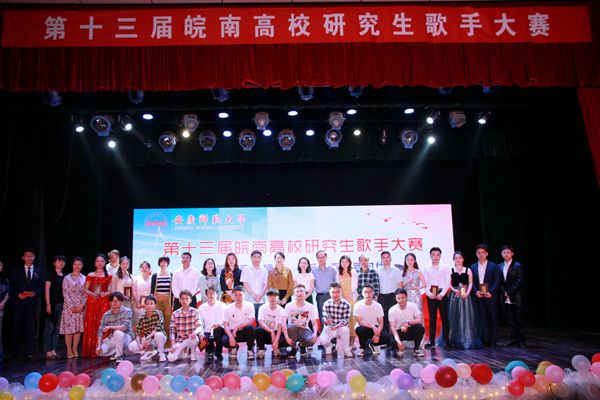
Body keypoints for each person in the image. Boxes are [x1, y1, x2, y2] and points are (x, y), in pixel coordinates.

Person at [10, 248, 45, 360]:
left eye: (31, 256)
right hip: (19, 304)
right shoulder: (17, 271)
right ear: (23, 258)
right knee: (17, 328)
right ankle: (15, 352)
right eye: (27, 256)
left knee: (30, 328)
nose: (29, 258)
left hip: (32, 304)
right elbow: (11, 287)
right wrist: (18, 294)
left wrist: (35, 293)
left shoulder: (39, 271)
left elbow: (42, 287)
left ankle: (28, 352)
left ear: (34, 258)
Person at [447, 251, 482, 349]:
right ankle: (452, 339)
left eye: (460, 258)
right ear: (453, 260)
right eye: (456, 258)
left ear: (463, 259)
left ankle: (465, 338)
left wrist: (467, 293)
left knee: (465, 316)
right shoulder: (451, 270)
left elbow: (470, 283)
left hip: (465, 295)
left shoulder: (468, 270)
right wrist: (454, 290)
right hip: (454, 296)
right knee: (453, 316)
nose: (458, 260)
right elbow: (447, 283)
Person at [470, 244, 501, 347]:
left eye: (483, 253)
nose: (481, 255)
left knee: (492, 318)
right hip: (479, 296)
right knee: (481, 319)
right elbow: (471, 282)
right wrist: (476, 292)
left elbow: (497, 281)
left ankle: (493, 341)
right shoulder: (473, 267)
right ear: (476, 254)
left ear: (487, 254)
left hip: (490, 296)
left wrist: (491, 292)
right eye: (479, 253)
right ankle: (484, 340)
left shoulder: (494, 266)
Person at [82, 254, 112, 358]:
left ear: (105, 263)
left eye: (102, 261)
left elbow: (111, 290)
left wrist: (105, 293)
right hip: (92, 302)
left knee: (103, 323)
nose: (100, 263)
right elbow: (85, 289)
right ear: (95, 263)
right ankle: (92, 350)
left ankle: (104, 350)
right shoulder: (90, 275)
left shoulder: (108, 275)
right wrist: (92, 293)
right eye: (98, 261)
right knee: (92, 324)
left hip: (104, 302)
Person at [422, 247, 451, 348]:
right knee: (432, 318)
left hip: (442, 294)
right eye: (433, 255)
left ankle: (446, 340)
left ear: (440, 256)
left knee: (444, 317)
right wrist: (429, 294)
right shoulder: (426, 268)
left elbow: (448, 281)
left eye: (437, 255)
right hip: (431, 294)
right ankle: (431, 341)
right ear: (430, 256)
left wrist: (442, 294)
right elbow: (425, 282)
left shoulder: (445, 267)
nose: (435, 257)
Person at [281, 284, 320, 358]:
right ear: (294, 294)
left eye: (302, 291)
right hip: (292, 330)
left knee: (312, 340)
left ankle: (302, 346)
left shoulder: (310, 306)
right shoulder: (289, 305)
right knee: (292, 327)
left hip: (304, 329)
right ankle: (293, 348)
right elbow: (283, 321)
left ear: (305, 293)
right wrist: (286, 337)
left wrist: (315, 334)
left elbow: (314, 323)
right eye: (297, 291)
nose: (299, 293)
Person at [499, 245, 527, 347]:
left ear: (512, 254)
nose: (506, 254)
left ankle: (522, 340)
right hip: (505, 295)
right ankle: (512, 339)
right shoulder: (499, 266)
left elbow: (520, 280)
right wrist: (504, 292)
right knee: (510, 319)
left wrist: (510, 292)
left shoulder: (518, 265)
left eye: (508, 252)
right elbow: (499, 281)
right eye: (504, 252)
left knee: (519, 318)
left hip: (516, 295)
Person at [60, 257, 86, 359]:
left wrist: (82, 305)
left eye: (79, 264)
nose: (77, 266)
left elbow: (86, 293)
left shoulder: (84, 278)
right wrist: (71, 307)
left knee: (78, 329)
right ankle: (69, 350)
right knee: (69, 330)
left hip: (80, 306)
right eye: (75, 264)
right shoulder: (67, 278)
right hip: (69, 307)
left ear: (82, 266)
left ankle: (75, 349)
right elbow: (65, 293)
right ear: (72, 266)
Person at [96, 292, 134, 362]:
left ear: (121, 301)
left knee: (117, 333)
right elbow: (100, 331)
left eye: (116, 301)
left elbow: (124, 327)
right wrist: (99, 346)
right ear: (109, 302)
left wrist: (110, 327)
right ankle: (116, 351)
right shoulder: (106, 315)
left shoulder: (127, 311)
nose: (114, 303)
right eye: (112, 301)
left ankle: (119, 356)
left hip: (126, 337)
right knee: (102, 351)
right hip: (114, 338)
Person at [128, 295, 167, 362]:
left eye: (151, 304)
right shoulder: (142, 316)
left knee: (158, 335)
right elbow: (138, 333)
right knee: (131, 346)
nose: (149, 306)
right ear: (144, 305)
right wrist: (139, 345)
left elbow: (157, 328)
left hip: (157, 338)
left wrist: (147, 338)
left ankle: (161, 353)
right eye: (147, 304)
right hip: (147, 340)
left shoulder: (158, 313)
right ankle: (148, 352)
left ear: (155, 305)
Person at [388, 289, 425, 358]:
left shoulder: (413, 306)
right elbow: (393, 327)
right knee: (392, 342)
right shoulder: (392, 310)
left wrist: (408, 323)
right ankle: (398, 348)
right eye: (398, 298)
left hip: (410, 329)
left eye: (403, 297)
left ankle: (416, 349)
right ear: (395, 299)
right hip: (398, 331)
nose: (401, 300)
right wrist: (398, 342)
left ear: (407, 297)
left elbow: (419, 320)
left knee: (420, 328)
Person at [222, 285, 256, 360]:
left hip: (244, 331)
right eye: (236, 295)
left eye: (240, 295)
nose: (238, 297)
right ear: (233, 296)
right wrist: (231, 337)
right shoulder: (228, 308)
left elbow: (251, 320)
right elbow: (226, 325)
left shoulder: (250, 305)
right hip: (233, 333)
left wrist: (237, 327)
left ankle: (250, 349)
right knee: (224, 341)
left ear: (244, 296)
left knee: (251, 329)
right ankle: (234, 347)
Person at [320, 282, 353, 357]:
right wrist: (327, 322)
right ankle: (329, 346)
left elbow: (345, 320)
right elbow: (324, 317)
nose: (335, 294)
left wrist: (336, 326)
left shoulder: (346, 304)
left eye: (337, 292)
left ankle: (346, 350)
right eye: (333, 292)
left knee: (345, 330)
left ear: (341, 292)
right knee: (322, 341)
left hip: (340, 327)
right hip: (330, 327)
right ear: (330, 293)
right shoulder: (326, 304)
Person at [354, 284, 388, 356]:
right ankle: (363, 347)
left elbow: (381, 323)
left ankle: (374, 344)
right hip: (364, 327)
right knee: (360, 330)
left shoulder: (378, 305)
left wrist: (377, 334)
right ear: (362, 293)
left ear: (373, 293)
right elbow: (360, 322)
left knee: (386, 337)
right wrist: (372, 327)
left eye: (370, 292)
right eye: (365, 292)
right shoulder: (357, 305)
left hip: (376, 327)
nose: (368, 294)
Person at [168, 290, 201, 362]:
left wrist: (195, 332)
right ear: (179, 300)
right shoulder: (175, 314)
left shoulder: (195, 311)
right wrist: (173, 344)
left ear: (190, 300)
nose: (184, 301)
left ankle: (193, 352)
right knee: (171, 358)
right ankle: (182, 350)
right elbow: (172, 330)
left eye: (187, 299)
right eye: (182, 299)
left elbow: (199, 326)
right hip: (180, 340)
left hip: (191, 338)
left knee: (194, 340)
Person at [44, 255, 66, 360]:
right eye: (59, 261)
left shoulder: (65, 276)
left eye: (62, 262)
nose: (61, 263)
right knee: (49, 327)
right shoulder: (50, 275)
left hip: (62, 304)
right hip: (52, 304)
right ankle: (47, 351)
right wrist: (48, 304)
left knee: (57, 328)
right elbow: (47, 290)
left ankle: (53, 350)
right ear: (54, 263)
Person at [197, 286, 226, 361]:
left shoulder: (223, 306)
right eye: (209, 293)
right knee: (202, 339)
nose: (211, 295)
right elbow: (199, 322)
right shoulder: (201, 307)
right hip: (207, 331)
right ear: (206, 295)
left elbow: (225, 318)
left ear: (217, 295)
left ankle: (218, 353)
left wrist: (218, 324)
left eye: (213, 293)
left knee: (218, 330)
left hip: (219, 330)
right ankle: (209, 352)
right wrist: (201, 333)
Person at [376, 251, 403, 331]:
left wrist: (399, 297)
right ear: (381, 259)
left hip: (393, 296)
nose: (386, 259)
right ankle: (385, 336)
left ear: (391, 258)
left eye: (388, 257)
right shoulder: (377, 271)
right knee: (382, 317)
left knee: (393, 317)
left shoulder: (396, 270)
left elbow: (400, 285)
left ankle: (394, 335)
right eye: (384, 257)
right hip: (381, 296)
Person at [255, 288, 286, 358]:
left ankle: (276, 347)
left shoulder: (281, 310)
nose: (273, 298)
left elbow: (280, 327)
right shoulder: (262, 307)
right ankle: (261, 349)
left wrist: (276, 341)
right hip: (266, 331)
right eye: (270, 296)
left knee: (284, 340)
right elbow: (260, 322)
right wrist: (271, 331)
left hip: (277, 332)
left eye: (275, 296)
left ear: (278, 298)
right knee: (258, 330)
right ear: (267, 298)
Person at [150, 256, 173, 348]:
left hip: (167, 301)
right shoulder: (155, 275)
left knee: (167, 323)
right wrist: (152, 303)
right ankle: (157, 345)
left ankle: (167, 345)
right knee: (157, 323)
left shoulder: (171, 275)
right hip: (157, 300)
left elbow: (172, 291)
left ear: (168, 264)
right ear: (159, 263)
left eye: (165, 262)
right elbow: (152, 291)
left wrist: (172, 303)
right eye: (161, 262)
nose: (163, 264)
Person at [337, 255, 358, 347]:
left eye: (346, 262)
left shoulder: (353, 272)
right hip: (341, 299)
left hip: (352, 299)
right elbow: (338, 287)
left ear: (349, 263)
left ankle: (352, 341)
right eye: (342, 262)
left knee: (352, 319)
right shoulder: (338, 273)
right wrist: (342, 298)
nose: (344, 264)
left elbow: (354, 287)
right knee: (344, 320)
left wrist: (348, 297)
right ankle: (346, 340)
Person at [241, 250, 268, 320]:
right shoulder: (246, 269)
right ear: (251, 258)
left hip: (261, 300)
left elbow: (266, 284)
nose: (256, 259)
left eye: (258, 257)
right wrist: (253, 295)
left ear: (261, 258)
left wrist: (260, 296)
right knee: (249, 321)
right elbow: (245, 283)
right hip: (249, 300)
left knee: (260, 321)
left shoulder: (265, 270)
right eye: (255, 257)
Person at [312, 250, 337, 323]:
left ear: (326, 257)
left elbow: (336, 283)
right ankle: (323, 330)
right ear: (317, 259)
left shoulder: (332, 269)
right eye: (319, 257)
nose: (321, 259)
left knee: (333, 314)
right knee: (322, 315)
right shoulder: (314, 271)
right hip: (320, 296)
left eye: (323, 257)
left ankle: (333, 330)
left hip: (331, 295)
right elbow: (313, 284)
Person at [132, 261, 152, 328]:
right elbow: (134, 291)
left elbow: (152, 292)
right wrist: (137, 302)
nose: (144, 269)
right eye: (142, 267)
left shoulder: (152, 279)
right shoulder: (136, 278)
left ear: (149, 269)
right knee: (138, 322)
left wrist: (150, 304)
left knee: (148, 322)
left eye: (146, 267)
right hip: (138, 303)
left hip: (148, 304)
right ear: (140, 268)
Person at [0, 260, 9, 363]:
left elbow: (7, 293)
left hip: (1, 308)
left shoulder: (4, 280)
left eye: (0, 265)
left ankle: (0, 356)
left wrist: (3, 302)